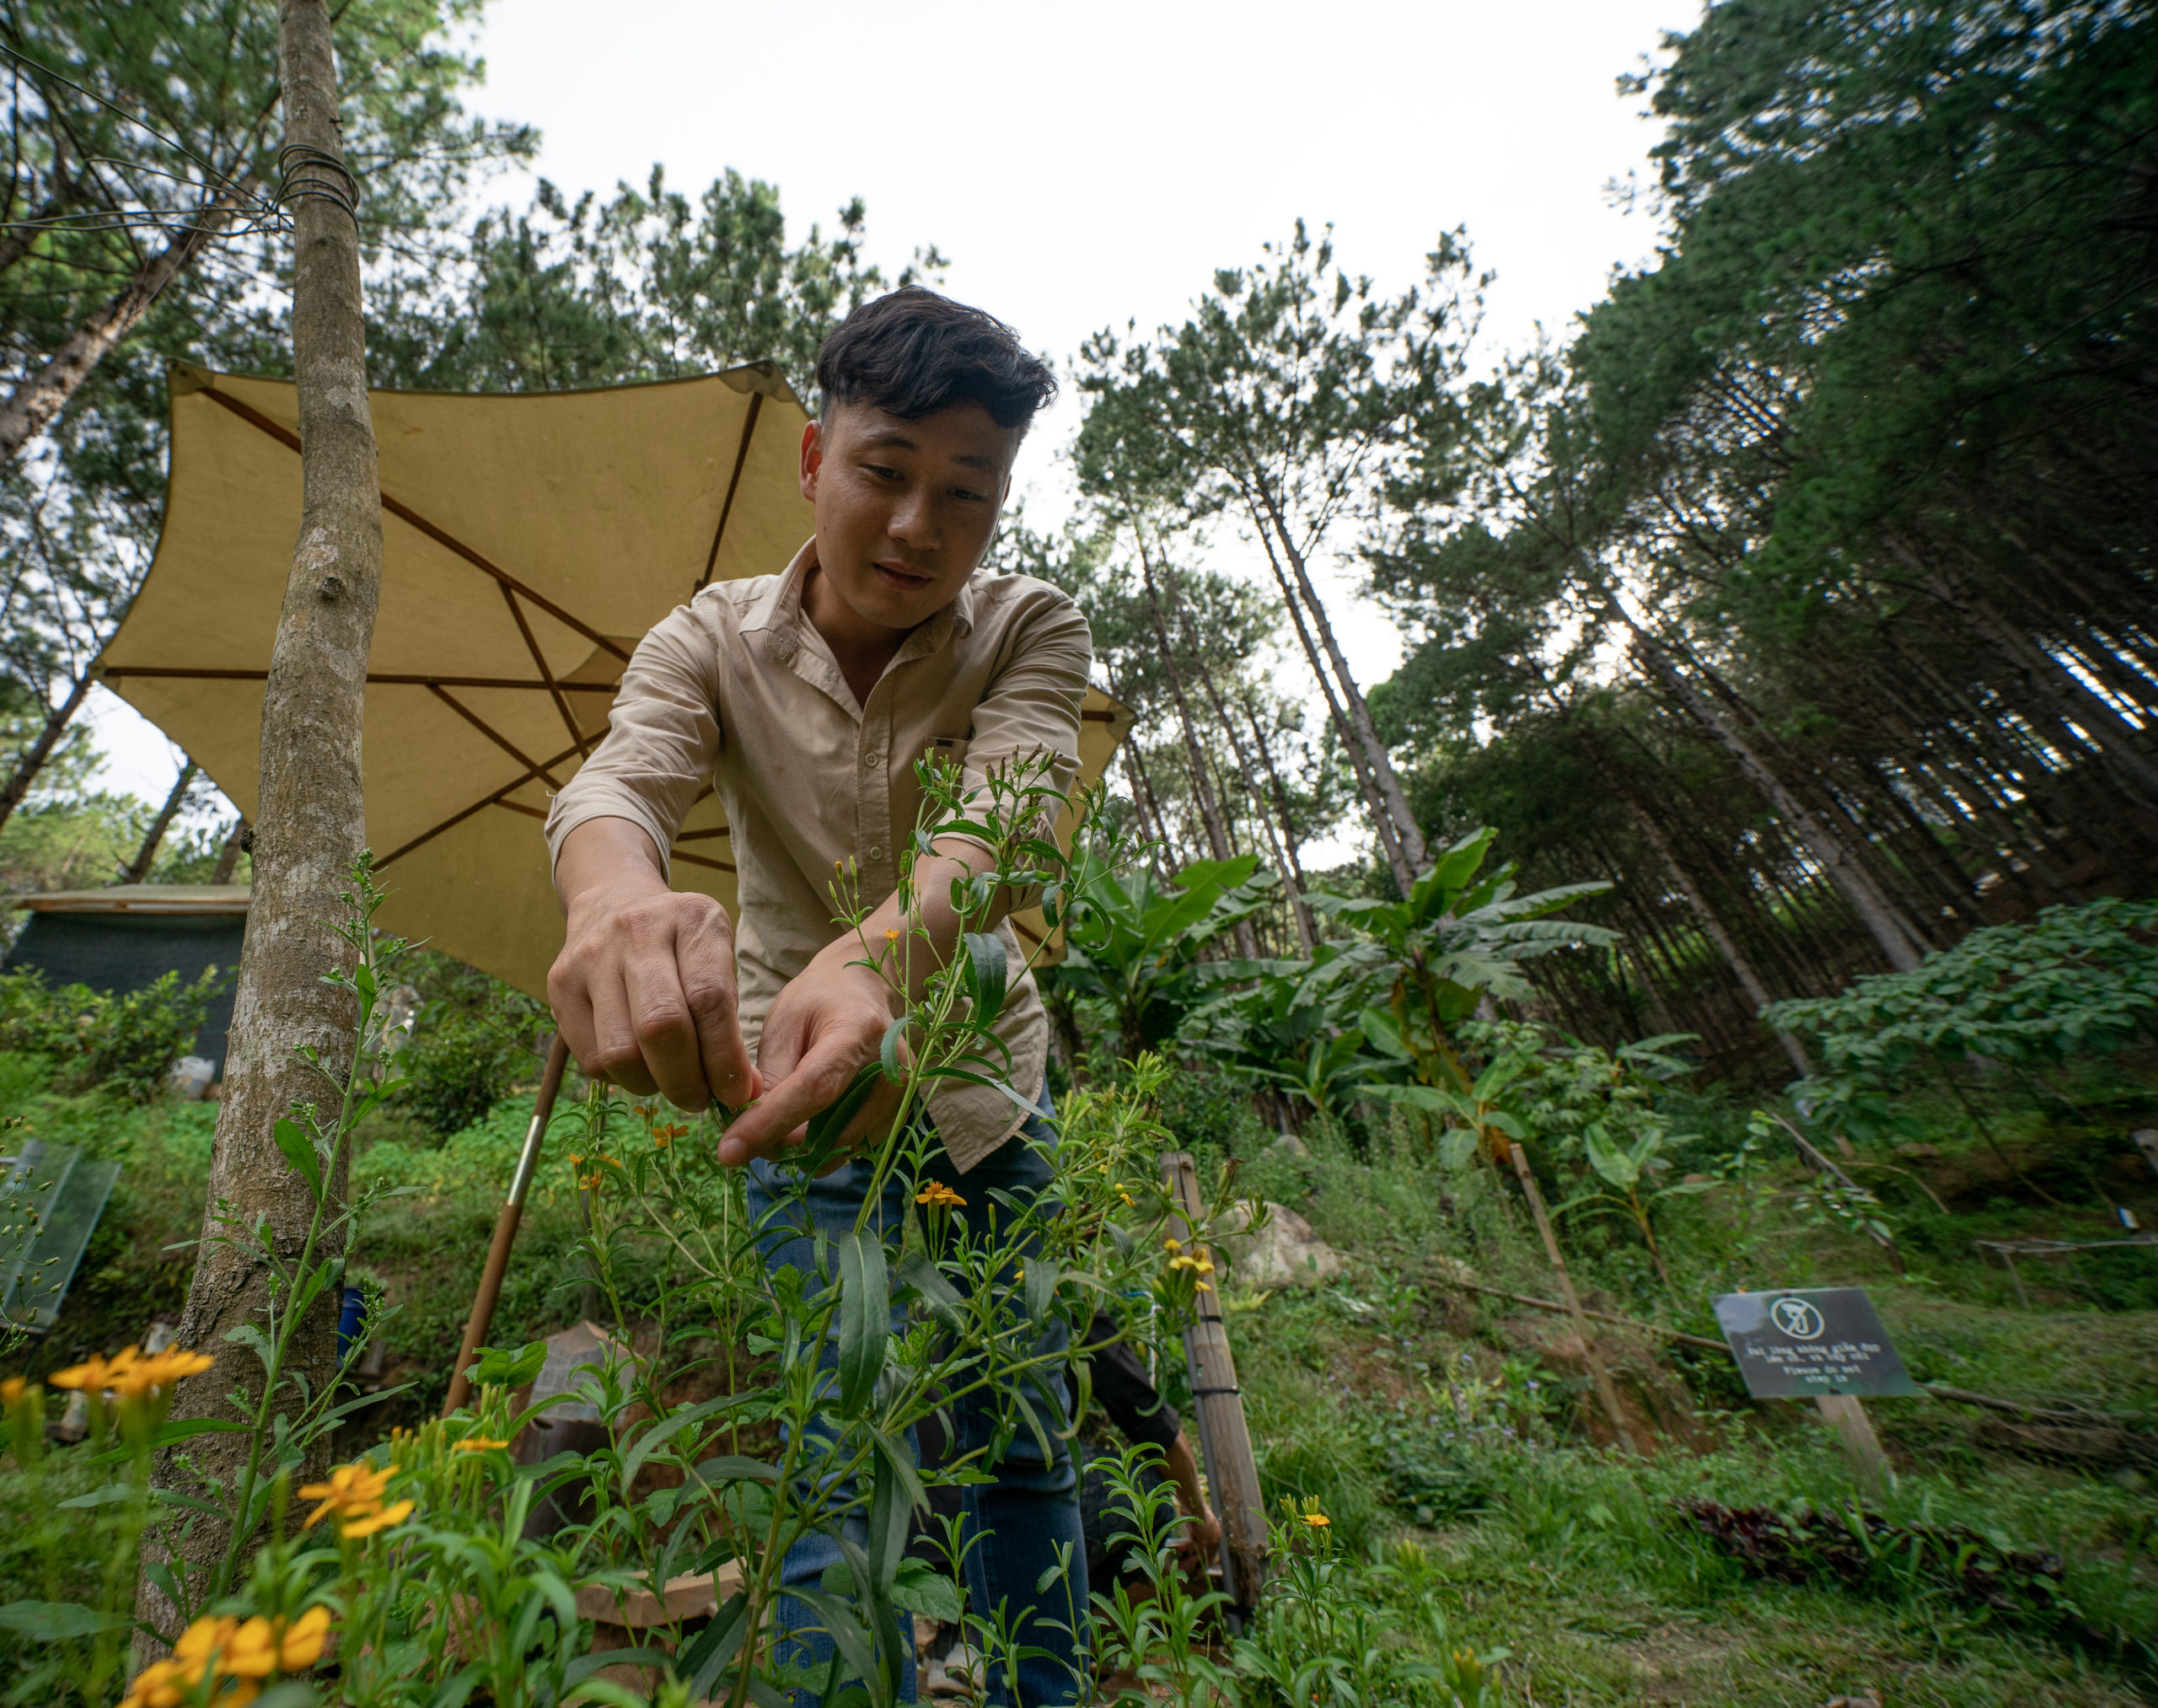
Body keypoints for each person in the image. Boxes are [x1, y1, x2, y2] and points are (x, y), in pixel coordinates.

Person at [542, 287, 1092, 1706]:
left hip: (989, 1096)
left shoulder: (1030, 627)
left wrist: (877, 955)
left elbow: (1012, 817)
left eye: (965, 492)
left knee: (1017, 1429)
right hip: (802, 1106)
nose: (917, 525)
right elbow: (622, 777)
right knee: (830, 1445)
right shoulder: (706, 640)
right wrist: (612, 897)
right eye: (886, 471)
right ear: (813, 460)